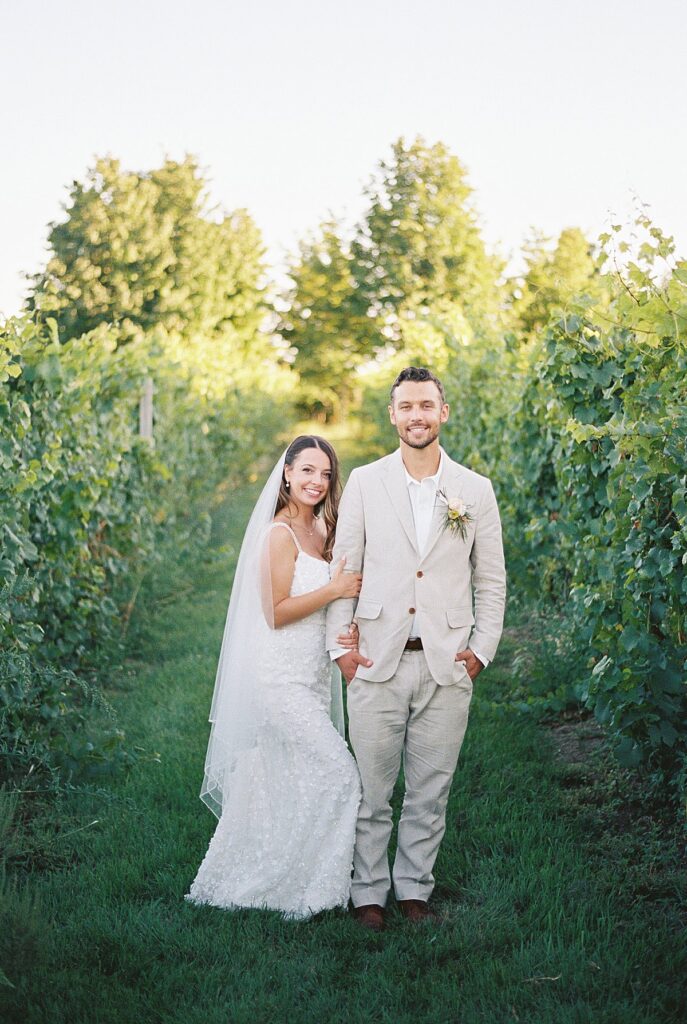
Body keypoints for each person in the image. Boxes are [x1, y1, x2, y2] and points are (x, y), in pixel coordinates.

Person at [326, 367, 506, 931]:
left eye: (426, 405)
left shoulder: (475, 490)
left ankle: (413, 888)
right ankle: (368, 892)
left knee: (430, 790)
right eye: (406, 406)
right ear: (393, 415)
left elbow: (491, 580)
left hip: (446, 661)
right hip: (376, 659)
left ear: (443, 413)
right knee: (372, 791)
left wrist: (482, 649)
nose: (417, 416)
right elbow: (345, 568)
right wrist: (341, 649)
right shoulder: (365, 482)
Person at [187, 435, 362, 919]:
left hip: (312, 675)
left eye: (325, 473)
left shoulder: (321, 529)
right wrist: (334, 590)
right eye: (307, 470)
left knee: (285, 776)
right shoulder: (279, 534)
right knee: (339, 773)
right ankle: (318, 889)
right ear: (286, 473)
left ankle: (277, 874)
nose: (317, 481)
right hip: (279, 678)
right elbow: (277, 612)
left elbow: (332, 603)